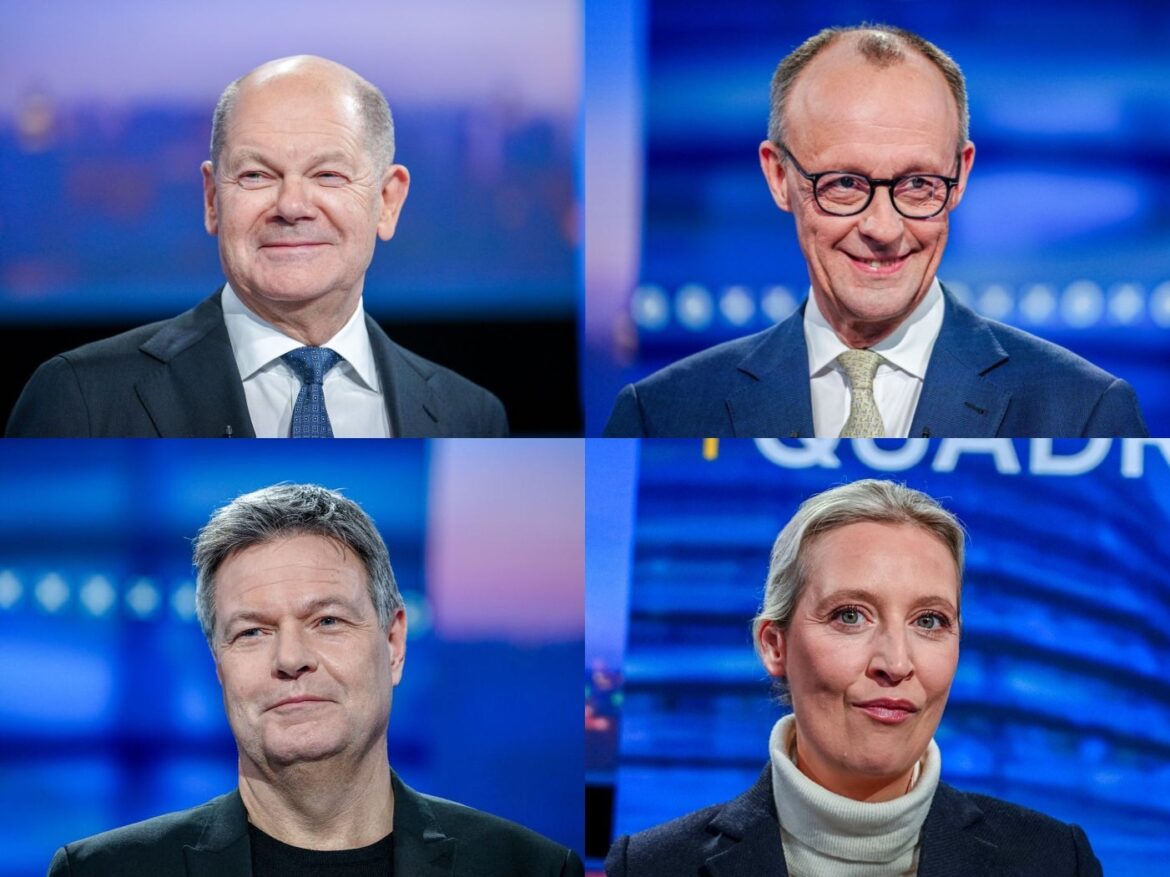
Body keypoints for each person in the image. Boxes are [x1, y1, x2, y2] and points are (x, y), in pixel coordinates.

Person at [604, 24, 1147, 438]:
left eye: (917, 184)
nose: (884, 228)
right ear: (778, 176)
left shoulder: (1082, 412)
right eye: (843, 184)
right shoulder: (661, 413)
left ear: (960, 177)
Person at [48, 483, 581, 876]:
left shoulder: (529, 868)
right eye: (253, 632)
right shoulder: (101, 871)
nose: (291, 658)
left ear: (393, 645)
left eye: (327, 622)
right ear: (218, 666)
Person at [605, 479, 1103, 876]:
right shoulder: (649, 865)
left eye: (929, 621)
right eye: (850, 615)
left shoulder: (1056, 859)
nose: (895, 662)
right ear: (774, 646)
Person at [7, 56, 508, 438]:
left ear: (387, 201)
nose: (292, 205)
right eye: (256, 175)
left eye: (328, 175)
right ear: (211, 199)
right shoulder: (80, 398)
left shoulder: (470, 415)